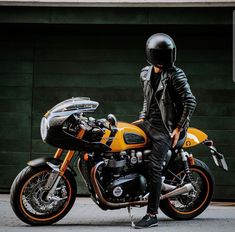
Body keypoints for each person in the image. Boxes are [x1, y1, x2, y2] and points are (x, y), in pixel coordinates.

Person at [134, 33, 197, 229]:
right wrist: (143, 117)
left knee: (155, 168)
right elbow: (148, 98)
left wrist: (178, 128)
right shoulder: (146, 72)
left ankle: (152, 214)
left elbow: (190, 101)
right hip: (149, 123)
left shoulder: (175, 75)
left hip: (165, 128)